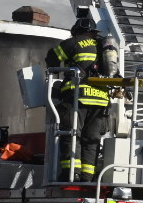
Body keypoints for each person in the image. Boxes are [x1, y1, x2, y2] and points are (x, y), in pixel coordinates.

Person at [45, 10, 113, 181]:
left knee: (72, 134)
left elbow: (52, 58)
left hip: (77, 97)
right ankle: (87, 176)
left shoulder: (73, 42)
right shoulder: (104, 47)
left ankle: (71, 173)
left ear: (77, 31)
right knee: (92, 140)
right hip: (101, 101)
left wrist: (59, 73)